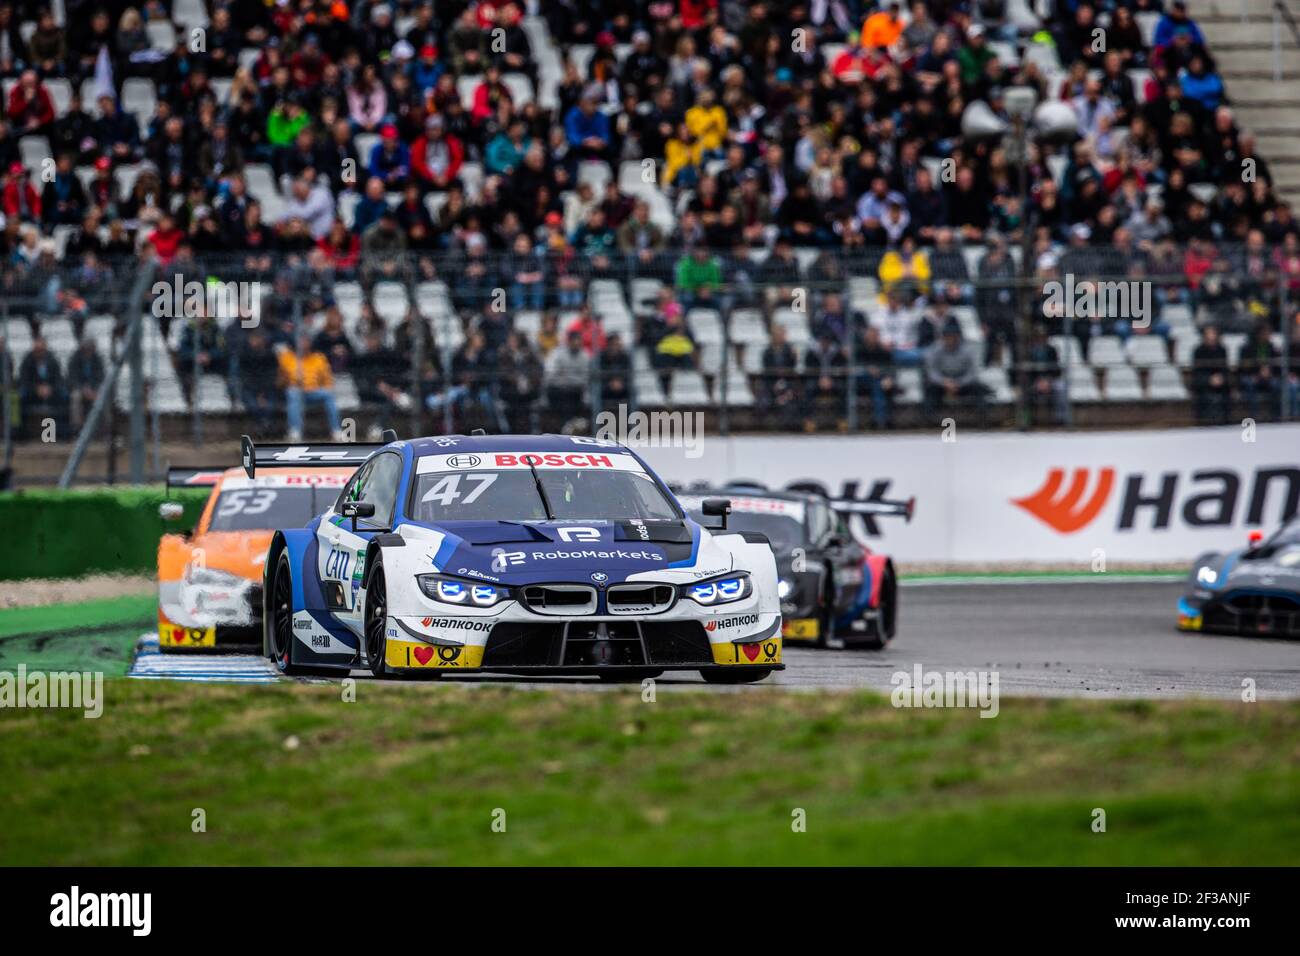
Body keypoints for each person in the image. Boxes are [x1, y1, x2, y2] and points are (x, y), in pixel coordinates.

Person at [278, 334, 342, 441]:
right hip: (296, 392)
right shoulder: (286, 357)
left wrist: (323, 388)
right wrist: (289, 381)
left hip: (314, 392)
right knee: (293, 393)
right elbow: (280, 383)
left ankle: (336, 431)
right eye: (301, 341)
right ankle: (295, 431)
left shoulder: (318, 358)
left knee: (329, 395)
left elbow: (328, 381)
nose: (303, 344)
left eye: (306, 341)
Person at [923, 319, 985, 416]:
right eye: (948, 337)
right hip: (943, 382)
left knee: (978, 388)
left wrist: (959, 383)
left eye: (953, 337)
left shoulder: (967, 350)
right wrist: (944, 382)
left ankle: (981, 417)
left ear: (958, 337)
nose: (950, 340)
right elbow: (932, 372)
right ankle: (929, 419)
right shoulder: (935, 350)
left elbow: (972, 373)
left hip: (961, 381)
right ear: (943, 338)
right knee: (930, 389)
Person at [16, 337, 67, 437]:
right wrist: (36, 389)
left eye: (41, 350)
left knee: (64, 396)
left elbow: (58, 379)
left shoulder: (52, 360)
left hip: (51, 392)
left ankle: (61, 433)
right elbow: (24, 380)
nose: (39, 353)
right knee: (19, 396)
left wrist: (50, 388)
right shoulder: (27, 360)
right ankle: (20, 433)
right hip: (33, 392)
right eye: (37, 350)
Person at [543, 329, 591, 430]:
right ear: (568, 341)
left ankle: (571, 426)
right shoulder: (557, 353)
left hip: (576, 391)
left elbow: (585, 378)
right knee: (561, 394)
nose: (577, 343)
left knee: (578, 395)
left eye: (579, 340)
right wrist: (570, 378)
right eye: (574, 340)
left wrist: (566, 376)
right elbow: (550, 375)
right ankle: (565, 426)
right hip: (557, 390)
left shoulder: (585, 355)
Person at [1190, 325, 1231, 425]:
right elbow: (1197, 372)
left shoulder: (1222, 350)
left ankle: (1225, 422)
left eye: (1213, 334)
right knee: (1205, 395)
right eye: (1209, 334)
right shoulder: (1198, 351)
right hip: (1203, 383)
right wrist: (1209, 380)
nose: (1211, 337)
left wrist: (1220, 378)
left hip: (1220, 383)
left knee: (1226, 392)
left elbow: (1225, 369)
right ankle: (1205, 423)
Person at [65, 336, 105, 429]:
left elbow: (100, 377)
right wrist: (83, 389)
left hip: (94, 388)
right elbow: (72, 378)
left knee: (103, 396)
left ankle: (104, 428)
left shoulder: (98, 359)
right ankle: (77, 427)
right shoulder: (75, 358)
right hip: (79, 388)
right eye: (87, 348)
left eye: (91, 348)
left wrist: (93, 389)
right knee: (76, 397)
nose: (89, 350)